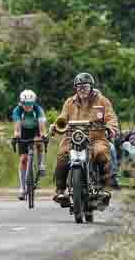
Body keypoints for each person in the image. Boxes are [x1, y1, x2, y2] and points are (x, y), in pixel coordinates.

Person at [51, 72, 119, 205]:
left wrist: (110, 127)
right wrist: (56, 126)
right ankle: (60, 191)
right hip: (73, 138)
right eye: (79, 87)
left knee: (102, 153)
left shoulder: (102, 100)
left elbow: (111, 117)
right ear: (75, 88)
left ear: (91, 87)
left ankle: (104, 188)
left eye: (85, 87)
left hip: (96, 137)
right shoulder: (69, 102)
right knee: (62, 156)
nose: (82, 90)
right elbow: (62, 118)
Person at [10, 90, 48, 200]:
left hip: (36, 130)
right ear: (21, 103)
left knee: (40, 141)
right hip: (24, 131)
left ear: (34, 102)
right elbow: (17, 128)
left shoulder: (38, 109)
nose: (28, 106)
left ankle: (41, 164)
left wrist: (43, 136)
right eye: (25, 104)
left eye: (30, 103)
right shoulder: (17, 110)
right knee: (23, 159)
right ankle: (22, 188)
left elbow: (42, 128)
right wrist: (16, 136)